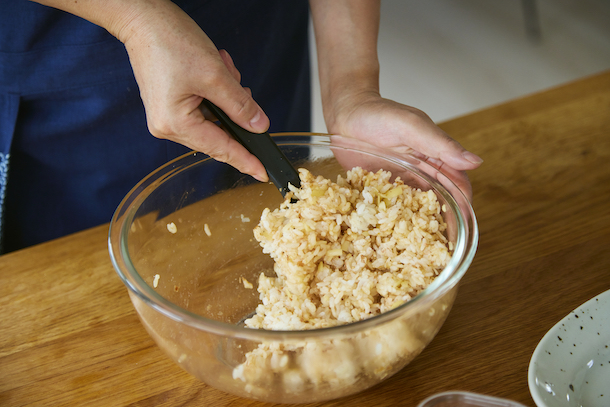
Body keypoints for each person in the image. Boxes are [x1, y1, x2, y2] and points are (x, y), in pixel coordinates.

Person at [0, 0, 482, 253]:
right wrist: (135, 17)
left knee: (271, 209)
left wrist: (352, 89)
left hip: (255, 31)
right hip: (62, 69)